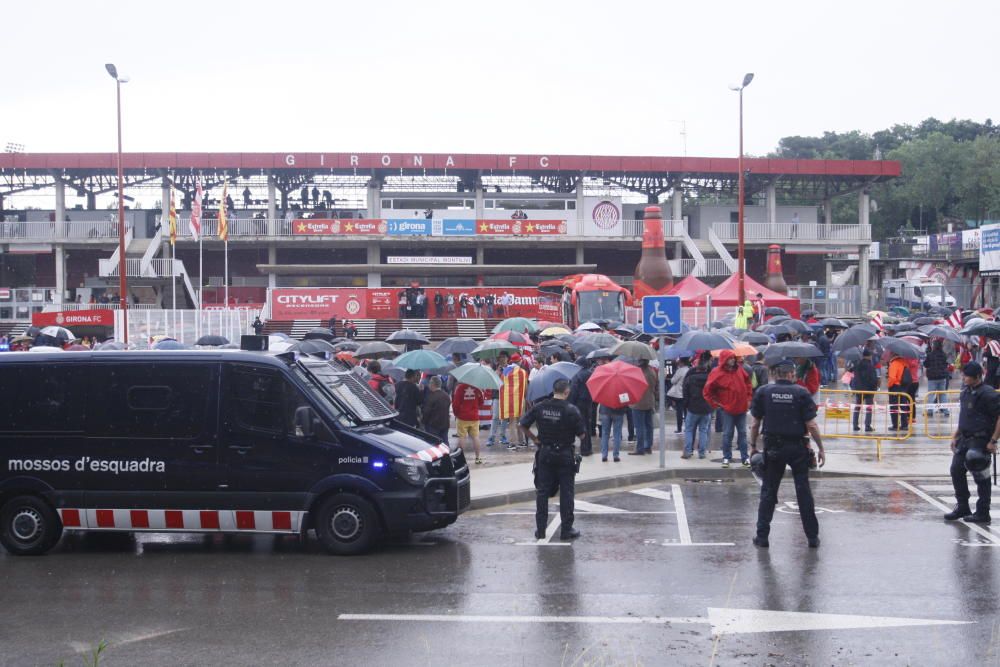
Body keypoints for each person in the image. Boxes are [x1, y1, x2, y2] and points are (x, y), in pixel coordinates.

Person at [749, 358, 825, 548]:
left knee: (768, 491)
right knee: (803, 492)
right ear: (792, 374)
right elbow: (812, 425)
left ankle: (762, 536)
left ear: (774, 374)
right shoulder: (801, 392)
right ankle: (812, 538)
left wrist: (752, 445)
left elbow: (755, 423)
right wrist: (821, 448)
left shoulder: (764, 392)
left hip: (774, 447)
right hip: (798, 447)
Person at [520, 379, 585, 540]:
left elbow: (523, 425)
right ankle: (566, 530)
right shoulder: (571, 410)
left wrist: (535, 439)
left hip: (545, 453)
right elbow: (582, 434)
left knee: (542, 492)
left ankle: (541, 529)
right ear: (567, 392)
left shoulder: (540, 406)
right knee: (566, 493)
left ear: (554, 390)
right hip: (564, 454)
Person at [944, 362, 999, 524]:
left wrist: (993, 440)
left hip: (981, 440)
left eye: (966, 375)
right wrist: (955, 435)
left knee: (981, 476)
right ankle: (962, 506)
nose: (963, 378)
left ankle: (983, 511)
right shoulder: (966, 392)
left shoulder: (989, 394)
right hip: (965, 439)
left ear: (977, 377)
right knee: (956, 470)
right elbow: (965, 416)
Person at [703, 349, 753, 468]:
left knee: (742, 434)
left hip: (741, 408)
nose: (732, 360)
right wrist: (717, 404)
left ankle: (744, 458)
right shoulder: (717, 372)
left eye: (733, 358)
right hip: (728, 409)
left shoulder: (739, 369)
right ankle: (727, 457)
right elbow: (707, 391)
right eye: (730, 358)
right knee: (728, 434)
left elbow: (748, 383)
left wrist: (748, 399)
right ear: (724, 360)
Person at [682, 352, 713, 459]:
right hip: (706, 408)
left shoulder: (690, 377)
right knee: (703, 430)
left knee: (689, 430)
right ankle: (702, 453)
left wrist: (685, 405)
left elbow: (685, 392)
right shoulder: (710, 378)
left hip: (692, 407)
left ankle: (688, 451)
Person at [498, 354, 529, 449]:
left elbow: (501, 385)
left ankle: (513, 443)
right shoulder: (523, 372)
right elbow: (526, 387)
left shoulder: (505, 372)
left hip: (509, 399)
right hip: (520, 400)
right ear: (519, 361)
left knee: (512, 422)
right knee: (521, 421)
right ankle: (522, 441)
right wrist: (525, 397)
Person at [628, 358, 657, 455]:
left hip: (638, 402)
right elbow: (655, 386)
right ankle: (648, 446)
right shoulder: (652, 371)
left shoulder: (637, 372)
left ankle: (640, 448)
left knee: (639, 426)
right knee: (649, 426)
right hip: (649, 401)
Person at [453, 381, 485, 464]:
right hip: (474, 417)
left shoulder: (460, 388)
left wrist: (456, 414)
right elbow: (481, 402)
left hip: (462, 417)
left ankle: (460, 460)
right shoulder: (477, 388)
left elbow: (455, 403)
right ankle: (477, 458)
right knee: (475, 437)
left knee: (462, 437)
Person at [851, 349, 879, 432]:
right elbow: (873, 379)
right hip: (869, 390)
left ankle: (855, 425)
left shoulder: (857, 364)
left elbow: (854, 376)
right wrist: (875, 388)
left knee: (857, 406)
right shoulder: (870, 366)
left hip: (859, 390)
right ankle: (867, 426)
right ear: (869, 356)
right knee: (869, 407)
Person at [924, 339, 952, 417]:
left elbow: (925, 364)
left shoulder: (930, 355)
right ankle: (946, 411)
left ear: (934, 346)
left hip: (932, 377)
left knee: (931, 394)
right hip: (942, 377)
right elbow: (946, 364)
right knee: (943, 394)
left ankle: (930, 410)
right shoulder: (944, 354)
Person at [422, 376, 452, 445]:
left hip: (433, 425)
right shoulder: (446, 396)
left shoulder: (431, 397)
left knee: (433, 444)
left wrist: (423, 422)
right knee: (445, 442)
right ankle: (447, 454)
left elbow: (426, 412)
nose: (429, 385)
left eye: (430, 383)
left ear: (433, 384)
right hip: (445, 423)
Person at [887, 352, 912, 431]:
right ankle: (904, 424)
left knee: (894, 406)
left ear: (892, 355)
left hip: (895, 387)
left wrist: (889, 386)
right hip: (903, 387)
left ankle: (895, 425)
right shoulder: (904, 362)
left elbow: (892, 378)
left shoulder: (894, 363)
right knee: (903, 405)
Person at [667, 356, 689, 434]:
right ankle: (687, 428)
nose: (678, 363)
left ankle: (679, 429)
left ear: (682, 362)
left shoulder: (680, 370)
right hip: (687, 394)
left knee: (679, 411)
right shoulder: (690, 370)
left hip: (679, 394)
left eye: (679, 362)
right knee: (686, 412)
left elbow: (673, 381)